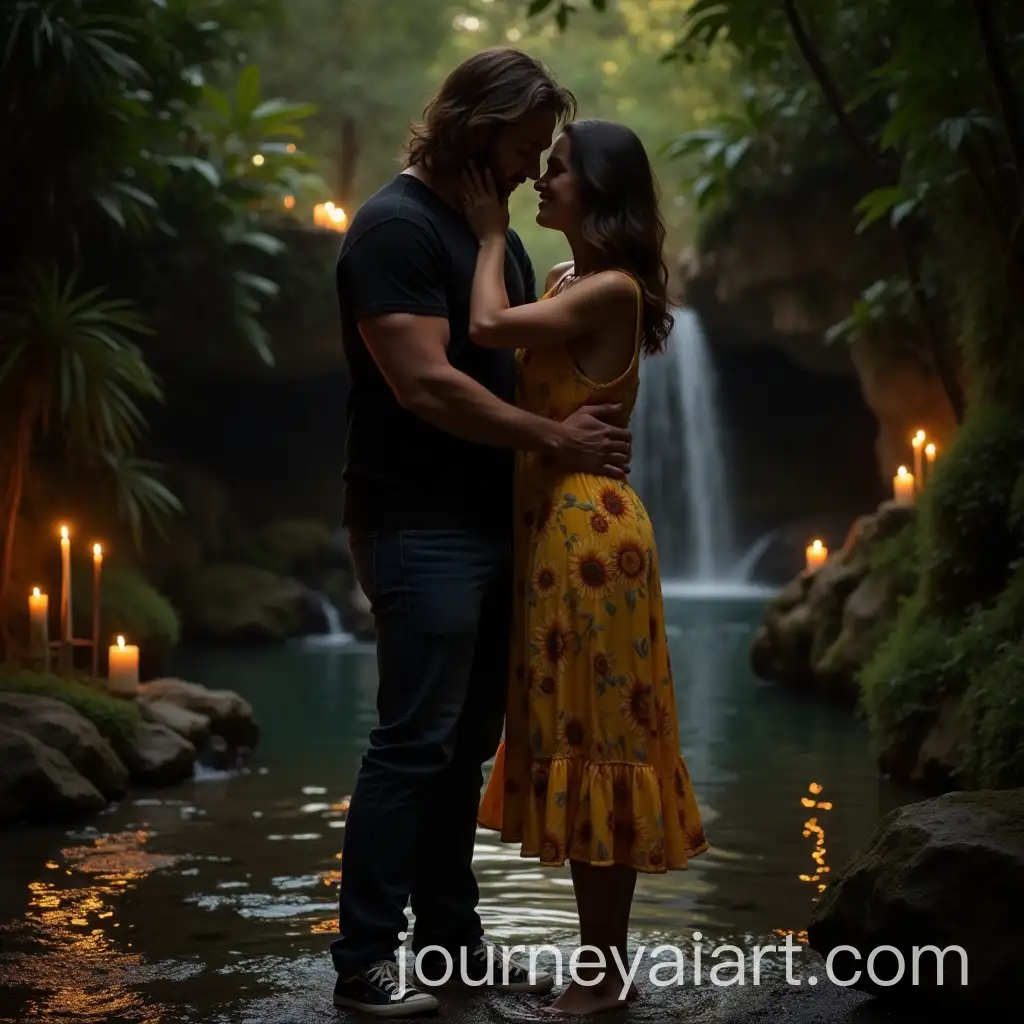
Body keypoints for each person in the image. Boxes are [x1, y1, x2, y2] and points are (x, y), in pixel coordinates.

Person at [330, 50, 634, 1017]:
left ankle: (451, 946)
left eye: (545, 152)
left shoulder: (489, 234)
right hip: (419, 524)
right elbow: (424, 384)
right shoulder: (393, 229)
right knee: (415, 743)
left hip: (505, 525)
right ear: (475, 125)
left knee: (465, 749)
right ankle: (365, 964)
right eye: (522, 145)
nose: (530, 163)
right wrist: (555, 438)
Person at [465, 119, 709, 1016]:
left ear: (599, 191)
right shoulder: (570, 279)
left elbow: (487, 324)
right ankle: (597, 966)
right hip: (553, 537)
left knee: (603, 743)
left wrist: (492, 236)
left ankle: (605, 974)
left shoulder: (609, 292)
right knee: (577, 739)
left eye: (556, 171)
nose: (539, 181)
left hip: (590, 543)